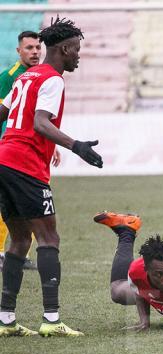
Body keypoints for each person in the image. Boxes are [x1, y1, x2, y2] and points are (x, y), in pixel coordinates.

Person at [0, 17, 103, 337]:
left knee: (18, 238)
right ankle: (51, 320)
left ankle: (6, 320)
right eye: (76, 50)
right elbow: (40, 123)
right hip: (25, 165)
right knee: (49, 238)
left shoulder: (26, 77)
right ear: (63, 49)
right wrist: (77, 147)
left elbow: (3, 114)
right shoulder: (53, 79)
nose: (78, 56)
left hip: (4, 160)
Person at [0, 30, 61, 272]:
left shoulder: (43, 75)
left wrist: (52, 145)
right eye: (29, 48)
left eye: (38, 47)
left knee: (35, 207)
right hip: (11, 150)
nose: (35, 52)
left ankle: (21, 251)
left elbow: (42, 118)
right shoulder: (9, 77)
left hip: (34, 152)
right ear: (19, 51)